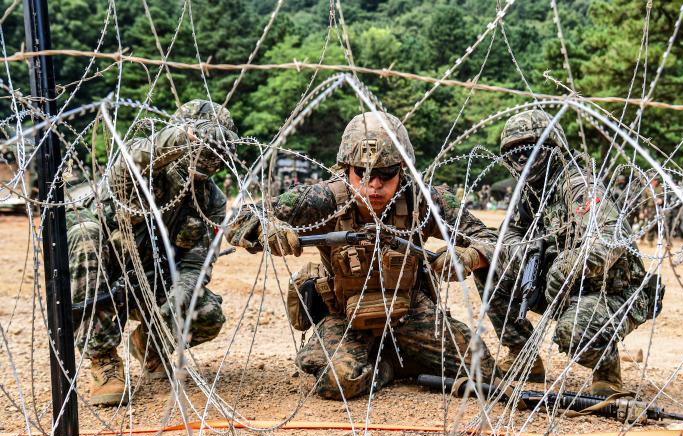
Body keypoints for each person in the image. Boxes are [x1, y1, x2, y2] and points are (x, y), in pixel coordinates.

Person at [225, 111, 499, 400]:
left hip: (408, 310)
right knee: (340, 381)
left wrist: (468, 257)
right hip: (344, 313)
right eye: (363, 173)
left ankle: (398, 353)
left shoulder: (423, 201)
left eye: (387, 174)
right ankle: (389, 366)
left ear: (403, 169)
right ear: (346, 169)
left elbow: (490, 240)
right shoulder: (324, 200)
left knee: (483, 368)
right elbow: (242, 218)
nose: (375, 185)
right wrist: (270, 230)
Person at [67, 99, 236, 405]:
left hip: (154, 278)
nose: (207, 157)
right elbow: (129, 161)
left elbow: (197, 263)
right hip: (108, 273)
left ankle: (149, 344)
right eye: (203, 145)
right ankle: (103, 359)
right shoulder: (144, 167)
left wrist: (179, 296)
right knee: (85, 234)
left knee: (207, 314)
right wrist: (183, 138)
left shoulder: (211, 199)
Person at [484, 109, 661, 396]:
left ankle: (606, 366)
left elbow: (612, 239)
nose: (521, 159)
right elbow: (510, 234)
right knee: (488, 265)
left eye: (529, 149)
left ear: (553, 148)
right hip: (562, 287)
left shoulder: (577, 185)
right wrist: (520, 253)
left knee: (572, 333)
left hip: (611, 292)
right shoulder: (531, 191)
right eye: (513, 153)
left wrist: (568, 264)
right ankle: (521, 353)